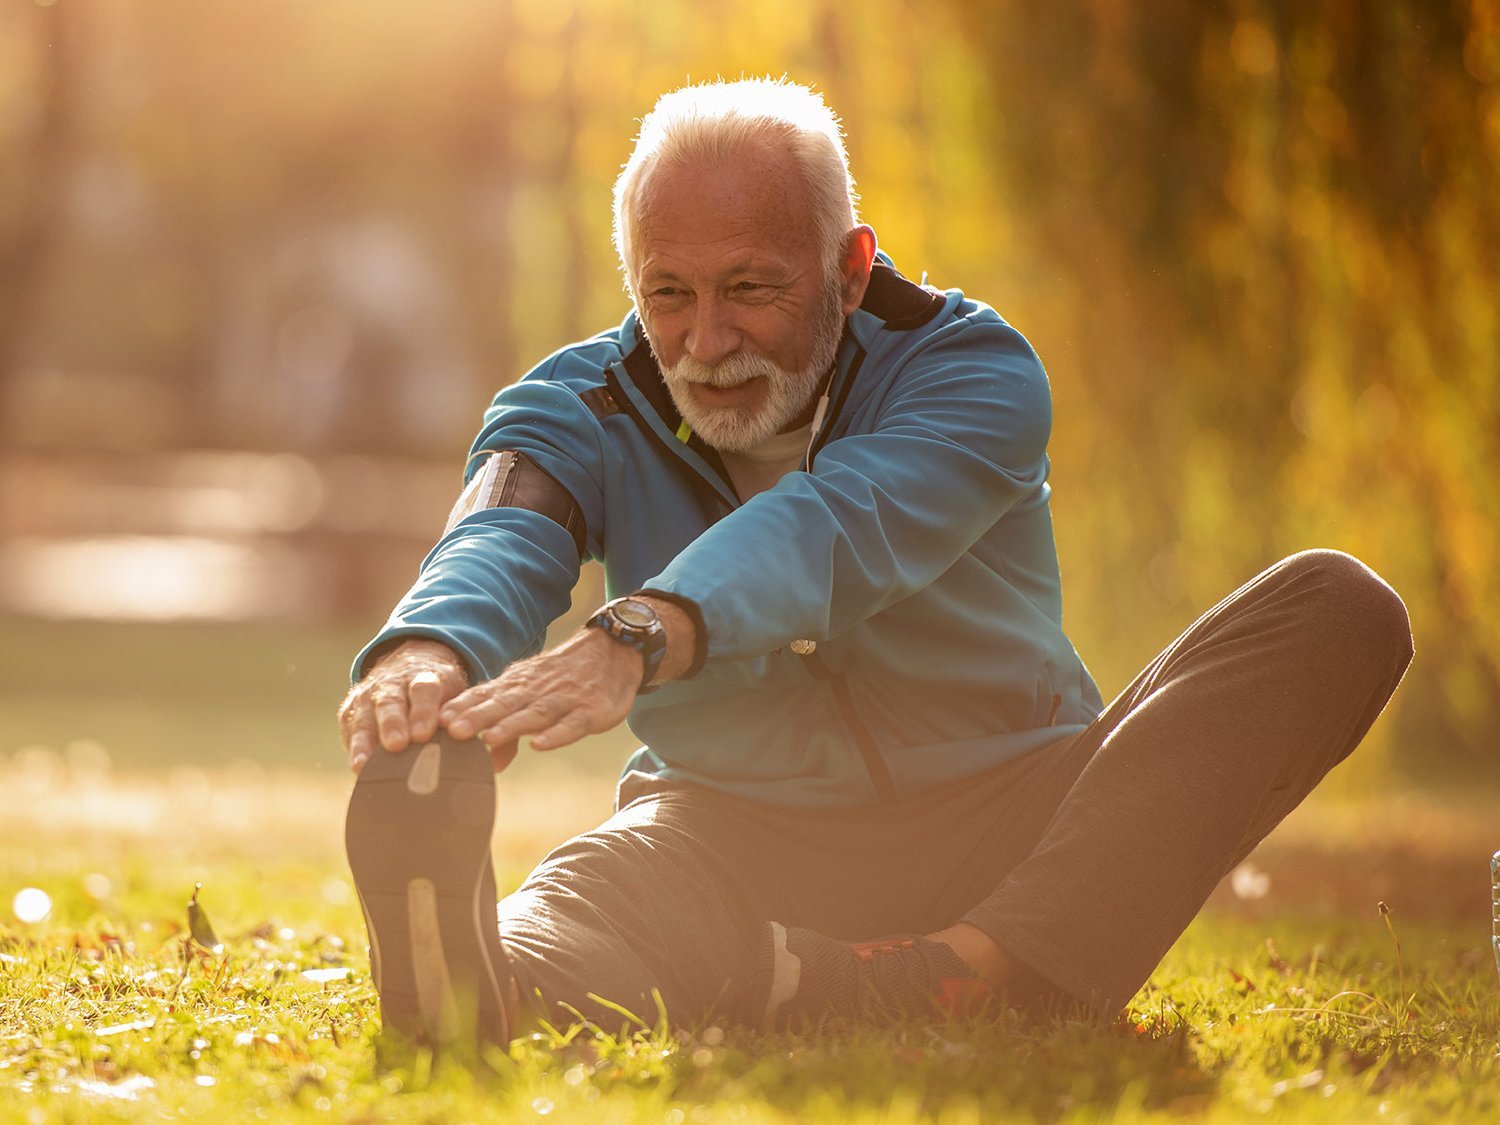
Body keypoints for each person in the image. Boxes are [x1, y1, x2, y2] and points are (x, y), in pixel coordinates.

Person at [338, 77, 1413, 1049]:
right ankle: (492, 979)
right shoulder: (577, 402)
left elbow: (839, 527)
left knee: (1339, 605)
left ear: (849, 270)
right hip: (727, 828)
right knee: (588, 901)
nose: (705, 341)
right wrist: (426, 651)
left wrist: (643, 629)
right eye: (667, 294)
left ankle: (976, 971)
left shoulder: (974, 370)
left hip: (1013, 819)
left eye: (749, 288)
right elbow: (500, 529)